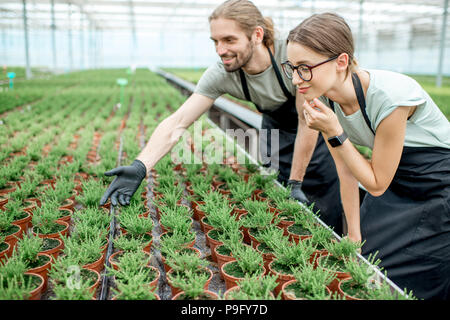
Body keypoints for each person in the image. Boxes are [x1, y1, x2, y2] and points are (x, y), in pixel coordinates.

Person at [99, 0, 344, 235]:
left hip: (315, 133)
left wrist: (296, 182)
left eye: (229, 40)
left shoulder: (289, 55)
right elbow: (178, 121)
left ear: (257, 35)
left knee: (322, 211)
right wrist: (140, 165)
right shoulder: (222, 73)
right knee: (281, 205)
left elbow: (306, 120)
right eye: (215, 41)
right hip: (274, 132)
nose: (221, 50)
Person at [283, 12, 450, 300]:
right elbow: (345, 169)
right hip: (394, 176)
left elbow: (375, 184)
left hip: (436, 183)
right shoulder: (324, 101)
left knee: (412, 268)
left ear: (341, 62)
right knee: (369, 255)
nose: (297, 79)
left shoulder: (389, 98)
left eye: (305, 68)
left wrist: (336, 132)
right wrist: (353, 234)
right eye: (292, 67)